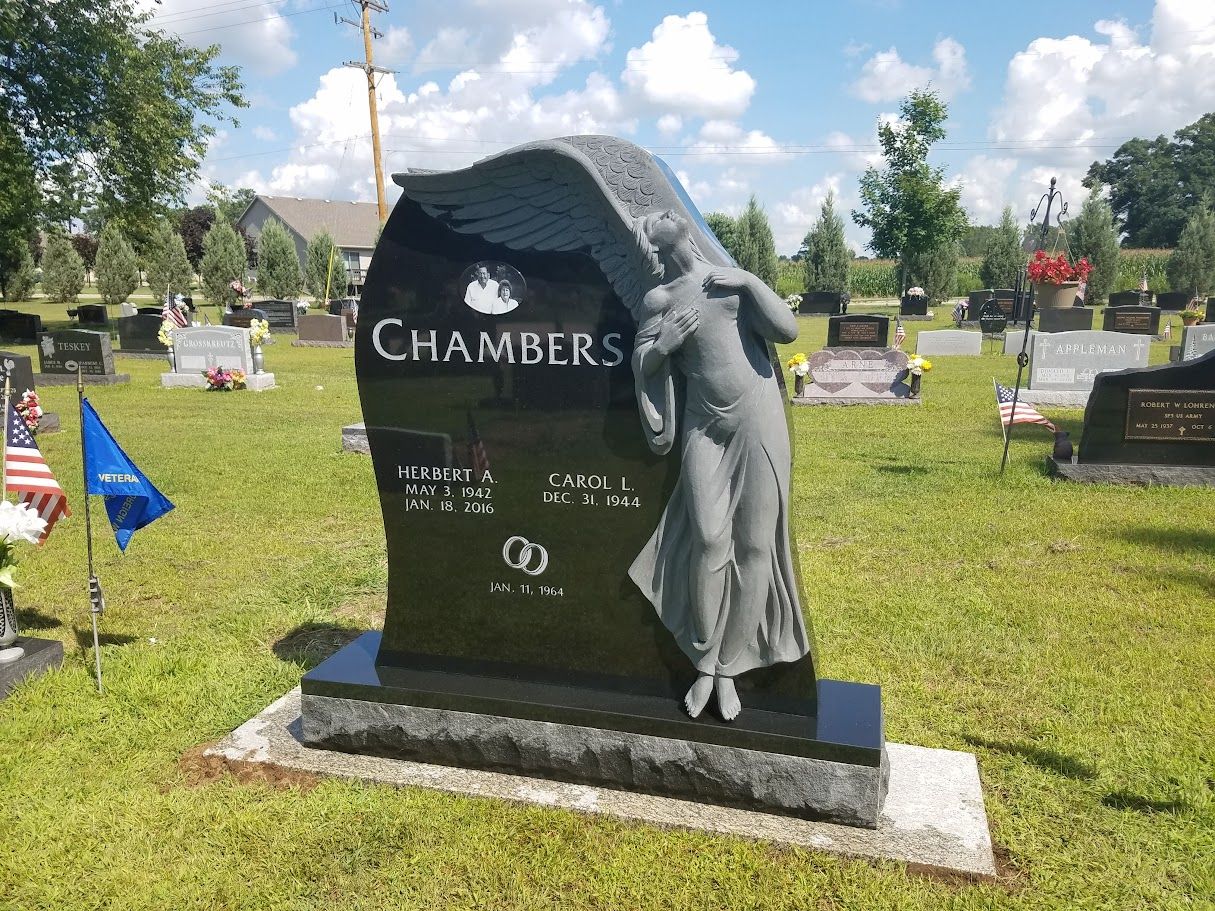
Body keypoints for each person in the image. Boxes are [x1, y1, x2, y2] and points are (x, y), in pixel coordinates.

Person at [627, 210, 810, 722]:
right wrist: (663, 345)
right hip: (704, 426)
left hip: (757, 418)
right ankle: (703, 661)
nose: (664, 213)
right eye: (653, 219)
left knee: (755, 546)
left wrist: (749, 282)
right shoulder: (660, 300)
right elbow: (642, 364)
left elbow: (788, 329)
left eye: (664, 212)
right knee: (708, 539)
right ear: (653, 245)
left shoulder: (729, 281)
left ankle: (728, 667)